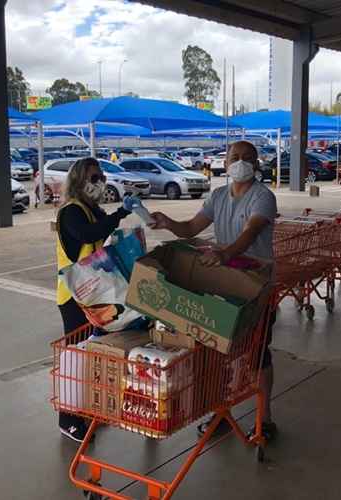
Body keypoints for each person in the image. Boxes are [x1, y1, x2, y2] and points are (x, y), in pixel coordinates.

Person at [149, 140, 279, 441]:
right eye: (235, 157)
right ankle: (220, 412)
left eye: (248, 157)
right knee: (217, 353)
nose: (241, 162)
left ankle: (266, 418)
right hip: (223, 285)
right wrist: (168, 223)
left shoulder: (263, 197)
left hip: (256, 287)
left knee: (258, 354)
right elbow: (191, 228)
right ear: (225, 160)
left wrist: (225, 253)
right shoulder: (218, 196)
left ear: (257, 163)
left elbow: (251, 233)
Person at [55, 157, 138, 442]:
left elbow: (106, 231)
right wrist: (119, 215)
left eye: (101, 176)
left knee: (90, 356)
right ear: (78, 181)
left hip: (94, 294)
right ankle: (67, 418)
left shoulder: (93, 209)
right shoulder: (71, 213)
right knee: (73, 359)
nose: (100, 182)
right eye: (94, 178)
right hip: (73, 296)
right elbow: (89, 234)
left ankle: (84, 409)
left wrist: (122, 217)